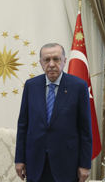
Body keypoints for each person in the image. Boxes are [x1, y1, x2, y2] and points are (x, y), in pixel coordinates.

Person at [15, 43, 92, 182]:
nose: (51, 64)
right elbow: (23, 126)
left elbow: (85, 130)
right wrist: (20, 159)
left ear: (64, 61)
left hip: (67, 164)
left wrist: (85, 165)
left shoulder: (79, 86)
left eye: (56, 59)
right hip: (36, 163)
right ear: (40, 62)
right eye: (46, 60)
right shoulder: (31, 85)